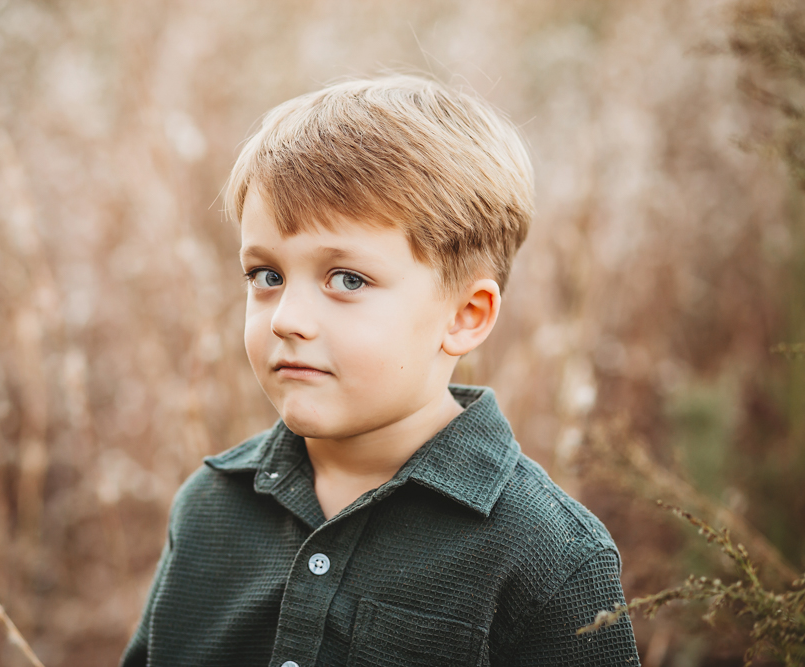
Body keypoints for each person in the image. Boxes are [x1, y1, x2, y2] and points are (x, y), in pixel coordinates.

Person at [120, 75, 640, 666]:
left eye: (348, 279)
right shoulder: (210, 509)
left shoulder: (547, 557)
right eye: (266, 276)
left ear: (466, 316)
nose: (287, 319)